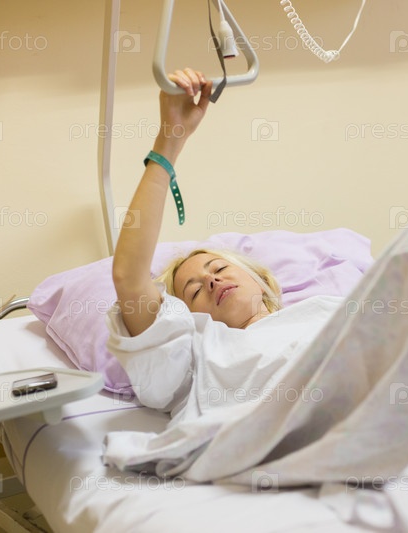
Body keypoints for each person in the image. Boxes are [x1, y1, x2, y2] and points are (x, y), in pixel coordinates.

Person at [106, 68, 343, 417]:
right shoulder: (196, 356)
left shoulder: (327, 311)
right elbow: (128, 277)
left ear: (262, 280)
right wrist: (170, 139)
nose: (211, 280)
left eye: (218, 268)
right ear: (185, 317)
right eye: (194, 291)